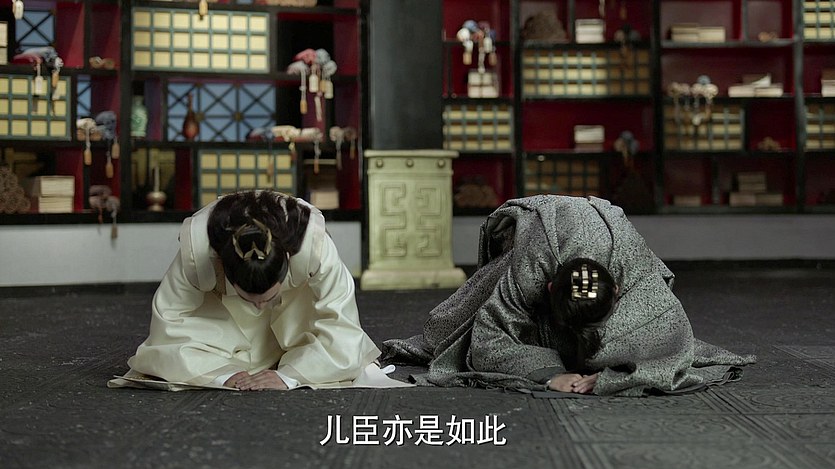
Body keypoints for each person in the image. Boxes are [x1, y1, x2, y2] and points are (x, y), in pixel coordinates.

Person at [382, 195, 756, 396]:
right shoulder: (531, 268)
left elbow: (672, 337)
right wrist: (549, 375)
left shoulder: (635, 269)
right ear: (548, 290)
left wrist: (612, 377)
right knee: (444, 330)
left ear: (619, 292)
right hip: (541, 229)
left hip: (607, 242)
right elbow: (489, 337)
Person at [116, 190, 382, 391]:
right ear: (225, 269)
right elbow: (168, 323)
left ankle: (300, 358)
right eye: (250, 299)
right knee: (171, 353)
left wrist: (290, 376)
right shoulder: (200, 249)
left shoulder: (312, 244)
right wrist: (219, 374)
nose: (259, 307)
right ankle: (225, 357)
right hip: (224, 314)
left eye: (266, 298)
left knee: (342, 349)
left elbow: (342, 324)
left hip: (293, 310)